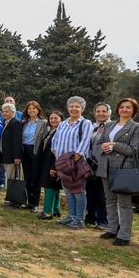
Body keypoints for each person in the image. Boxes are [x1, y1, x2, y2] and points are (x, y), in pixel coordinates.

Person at [95, 98, 139, 246]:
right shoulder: (109, 125)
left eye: (128, 107)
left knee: (124, 203)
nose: (124, 110)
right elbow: (98, 143)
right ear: (117, 109)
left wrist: (114, 145)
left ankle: (124, 235)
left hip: (123, 168)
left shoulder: (136, 127)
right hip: (106, 166)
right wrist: (102, 147)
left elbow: (133, 150)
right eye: (122, 107)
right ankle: (112, 228)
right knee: (109, 200)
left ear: (133, 110)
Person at [52, 96, 94, 229]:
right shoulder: (63, 123)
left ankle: (79, 219)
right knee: (67, 191)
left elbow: (85, 141)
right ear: (67, 108)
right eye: (71, 106)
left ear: (82, 109)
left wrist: (74, 159)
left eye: (77, 106)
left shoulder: (85, 123)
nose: (74, 109)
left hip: (76, 163)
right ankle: (71, 216)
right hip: (62, 163)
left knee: (78, 191)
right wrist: (58, 158)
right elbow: (55, 141)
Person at [85, 102, 111, 229]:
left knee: (102, 194)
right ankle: (90, 217)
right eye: (98, 111)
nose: (101, 113)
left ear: (109, 113)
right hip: (91, 164)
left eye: (104, 111)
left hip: (105, 164)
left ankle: (103, 221)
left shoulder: (112, 126)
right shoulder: (92, 126)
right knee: (90, 191)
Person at [20, 101, 48, 213]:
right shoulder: (24, 123)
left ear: (38, 110)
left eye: (34, 108)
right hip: (25, 151)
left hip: (36, 152)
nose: (31, 110)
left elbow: (45, 139)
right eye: (29, 109)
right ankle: (29, 202)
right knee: (27, 177)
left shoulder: (43, 123)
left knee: (35, 178)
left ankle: (35, 203)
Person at [38, 111, 64, 219]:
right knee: (55, 187)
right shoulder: (51, 131)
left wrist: (54, 166)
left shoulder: (61, 132)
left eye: (56, 118)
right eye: (51, 118)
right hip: (46, 163)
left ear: (61, 119)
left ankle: (47, 212)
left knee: (49, 187)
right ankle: (57, 210)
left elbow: (59, 150)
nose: (53, 120)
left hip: (53, 163)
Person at [0, 102, 23, 204]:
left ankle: (14, 200)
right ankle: (10, 198)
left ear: (13, 112)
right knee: (10, 177)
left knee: (13, 178)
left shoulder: (15, 123)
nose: (4, 113)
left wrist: (17, 157)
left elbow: (17, 141)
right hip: (5, 155)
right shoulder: (6, 122)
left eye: (7, 111)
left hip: (12, 156)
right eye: (3, 111)